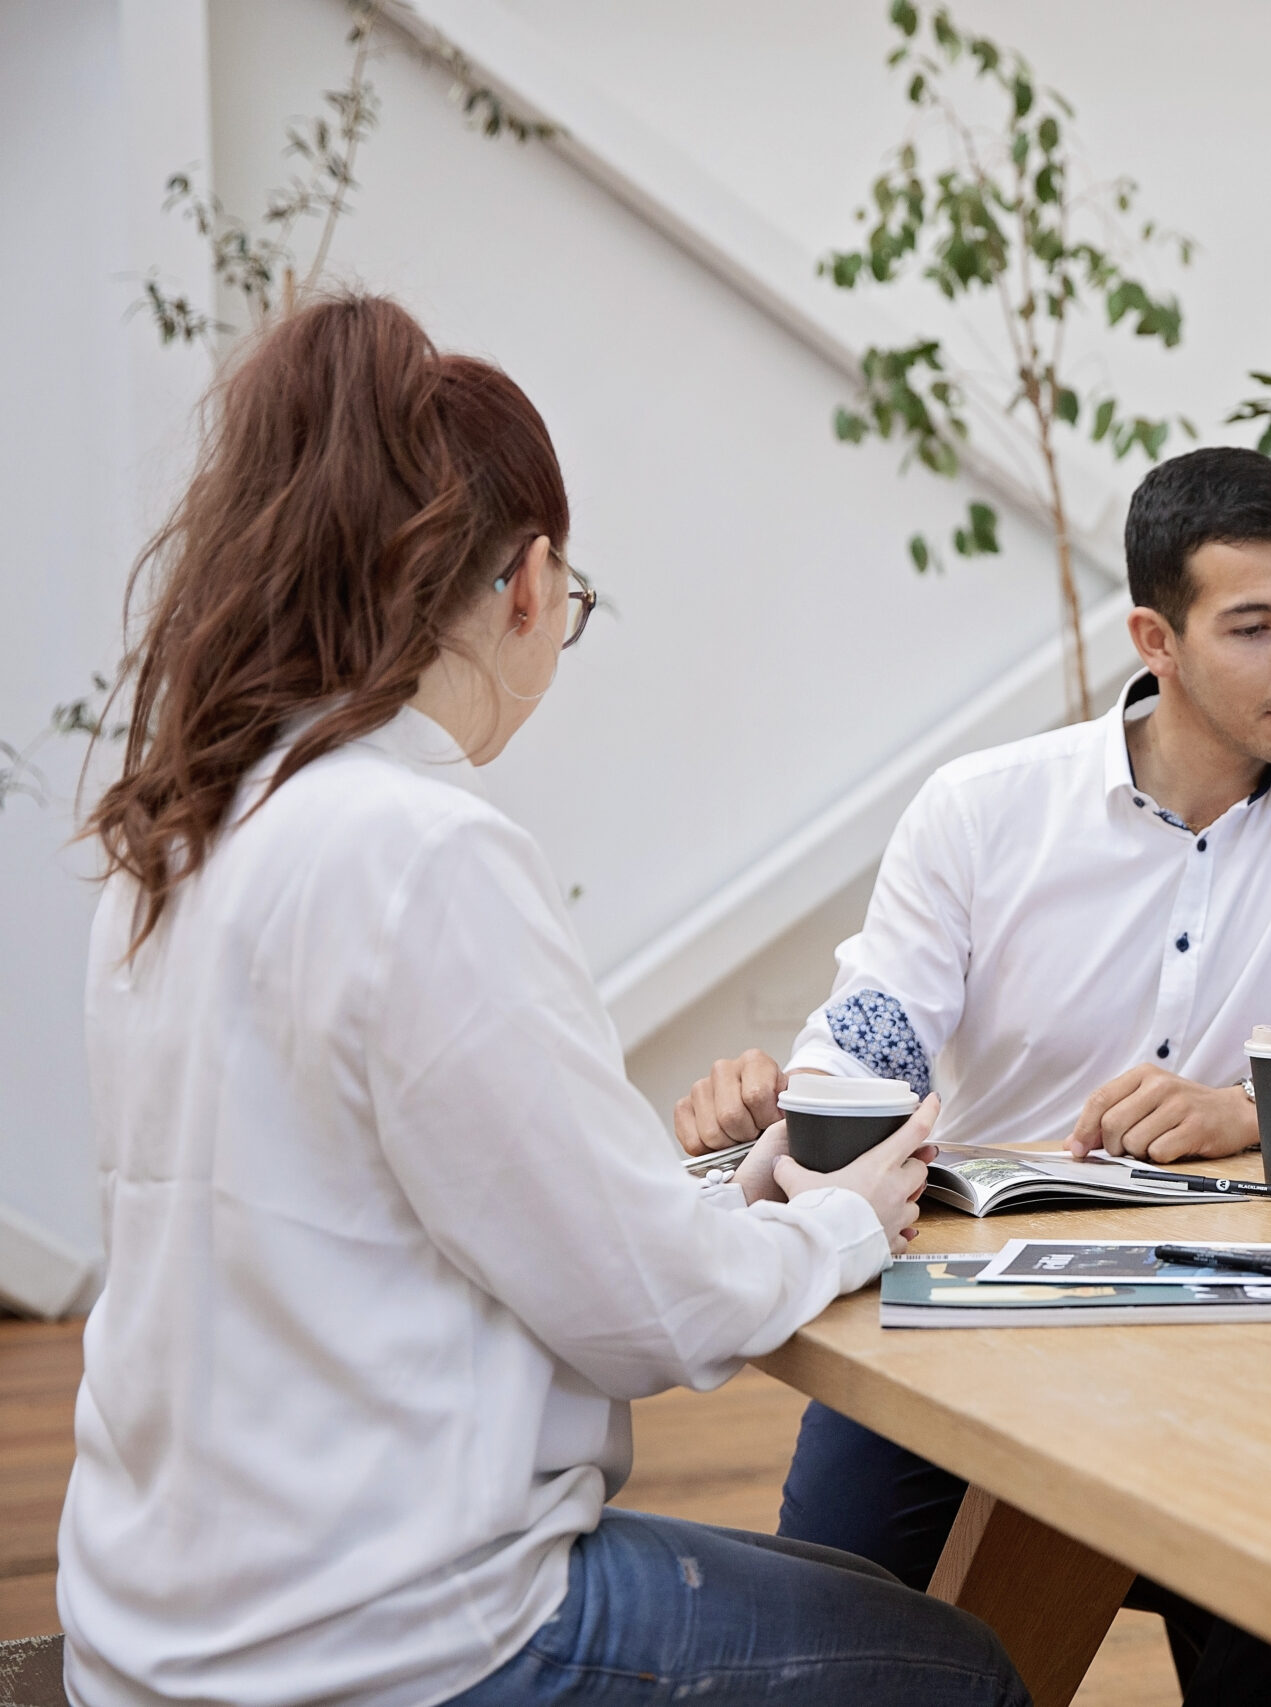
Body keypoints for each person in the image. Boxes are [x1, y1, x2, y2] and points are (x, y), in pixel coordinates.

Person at [61, 294, 1029, 1707]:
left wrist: (724, 1203)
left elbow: (463, 1229)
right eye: (566, 603)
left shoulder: (181, 841)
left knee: (864, 1606)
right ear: (526, 581)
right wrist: (838, 1220)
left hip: (152, 1629)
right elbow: (647, 1320)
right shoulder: (420, 848)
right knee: (952, 1668)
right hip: (398, 1641)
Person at [675, 446, 1271, 1705]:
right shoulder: (982, 809)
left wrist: (1246, 1109)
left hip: (1256, 1338)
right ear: (1154, 639)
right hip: (963, 1322)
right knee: (833, 1656)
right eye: (1256, 626)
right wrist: (779, 1104)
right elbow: (868, 1046)